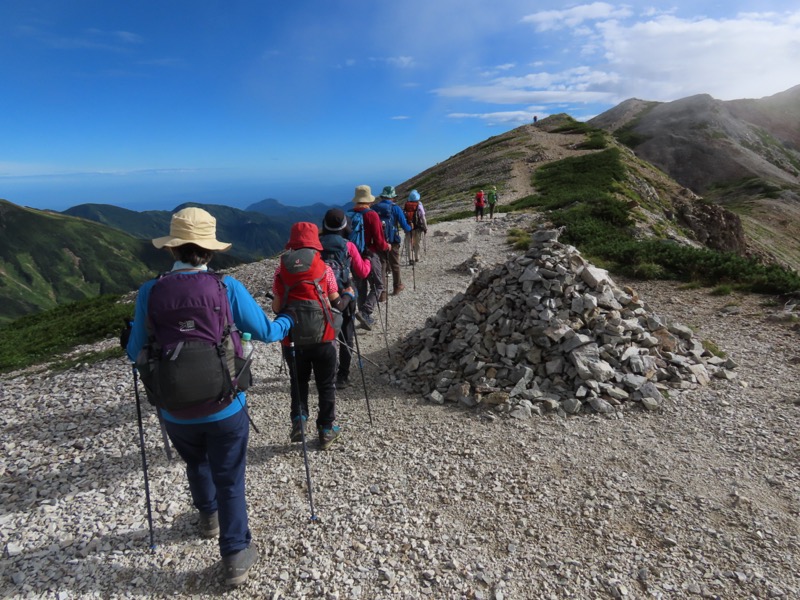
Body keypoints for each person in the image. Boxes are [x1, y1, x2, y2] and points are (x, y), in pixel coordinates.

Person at [126, 207, 293, 587]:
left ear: (171, 250)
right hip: (226, 403)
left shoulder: (150, 292)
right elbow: (265, 332)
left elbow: (134, 352)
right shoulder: (226, 287)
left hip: (175, 408)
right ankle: (235, 553)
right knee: (230, 476)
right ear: (210, 251)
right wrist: (288, 321)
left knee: (195, 461)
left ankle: (207, 517)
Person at [272, 222, 352, 451]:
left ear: (293, 245)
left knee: (299, 381)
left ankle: (299, 419)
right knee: (326, 384)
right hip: (324, 337)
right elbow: (337, 303)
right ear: (315, 244)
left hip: (293, 339)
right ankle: (326, 430)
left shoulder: (281, 270)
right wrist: (348, 294)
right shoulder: (324, 269)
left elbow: (278, 308)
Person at [319, 208, 371, 389]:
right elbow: (363, 272)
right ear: (344, 225)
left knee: (326, 336)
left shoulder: (316, 244)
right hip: (345, 295)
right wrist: (368, 259)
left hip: (320, 296)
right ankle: (343, 376)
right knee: (346, 336)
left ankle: (327, 374)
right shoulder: (348, 246)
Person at [348, 185, 390, 330]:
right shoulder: (371, 215)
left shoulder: (350, 214)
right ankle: (365, 312)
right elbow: (379, 240)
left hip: (353, 256)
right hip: (369, 255)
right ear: (368, 200)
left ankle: (363, 315)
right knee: (378, 285)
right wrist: (386, 247)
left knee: (360, 285)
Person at [372, 185, 411, 298]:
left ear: (383, 196)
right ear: (392, 197)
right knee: (395, 264)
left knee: (382, 265)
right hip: (393, 241)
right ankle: (397, 286)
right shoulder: (395, 208)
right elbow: (405, 226)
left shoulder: (374, 208)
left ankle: (382, 293)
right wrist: (410, 228)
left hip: (379, 241)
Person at [403, 189, 428, 264]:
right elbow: (423, 217)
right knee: (417, 242)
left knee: (409, 243)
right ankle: (417, 257)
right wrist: (425, 227)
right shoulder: (419, 205)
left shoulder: (406, 205)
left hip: (408, 227)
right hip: (417, 227)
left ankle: (411, 259)